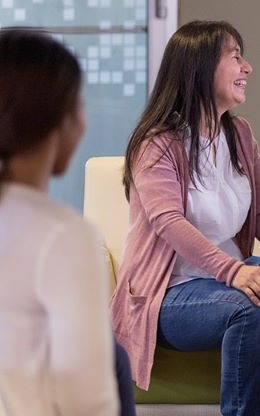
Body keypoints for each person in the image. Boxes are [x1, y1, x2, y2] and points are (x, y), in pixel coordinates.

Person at [111, 21, 260, 416]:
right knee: (254, 304)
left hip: (226, 274)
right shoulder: (157, 143)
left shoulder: (240, 135)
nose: (247, 67)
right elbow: (168, 222)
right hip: (169, 292)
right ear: (200, 67)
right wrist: (233, 273)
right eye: (235, 57)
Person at [0, 29, 123, 415]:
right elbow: (86, 400)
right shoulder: (63, 236)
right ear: (55, 118)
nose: (84, 124)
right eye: (78, 106)